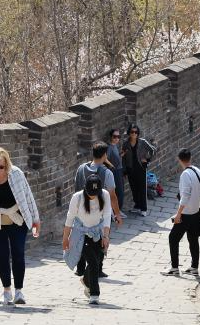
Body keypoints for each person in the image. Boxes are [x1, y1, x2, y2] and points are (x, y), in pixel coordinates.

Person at [0, 147, 40, 306]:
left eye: (1, 167)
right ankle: (6, 290)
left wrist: (35, 219)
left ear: (7, 165)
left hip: (17, 219)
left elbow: (28, 195)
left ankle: (19, 291)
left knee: (18, 253)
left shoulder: (16, 174)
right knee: (2, 255)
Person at [73, 142, 123, 278]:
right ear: (105, 155)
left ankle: (80, 267)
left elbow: (76, 189)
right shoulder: (107, 173)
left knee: (82, 238)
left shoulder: (81, 168)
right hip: (99, 214)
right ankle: (98, 268)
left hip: (82, 212)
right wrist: (117, 214)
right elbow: (112, 196)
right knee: (101, 239)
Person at [62, 174, 112, 305]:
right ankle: (94, 294)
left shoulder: (105, 195)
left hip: (98, 231)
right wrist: (65, 238)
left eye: (95, 193)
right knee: (93, 263)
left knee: (98, 259)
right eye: (90, 193)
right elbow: (69, 218)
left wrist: (106, 236)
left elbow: (107, 216)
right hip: (81, 233)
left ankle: (86, 280)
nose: (93, 196)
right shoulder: (77, 198)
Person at [161, 149, 200, 277]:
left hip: (186, 213)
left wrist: (178, 214)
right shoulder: (198, 171)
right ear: (190, 158)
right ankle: (194, 267)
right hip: (196, 212)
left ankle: (174, 268)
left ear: (179, 159)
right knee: (193, 239)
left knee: (173, 238)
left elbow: (185, 195)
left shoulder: (185, 174)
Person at [120, 124, 155, 216]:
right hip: (130, 169)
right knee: (134, 188)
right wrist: (124, 171)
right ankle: (137, 206)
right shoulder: (126, 144)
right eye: (132, 132)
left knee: (142, 188)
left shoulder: (142, 142)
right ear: (129, 133)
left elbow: (152, 150)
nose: (134, 134)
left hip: (141, 168)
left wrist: (147, 160)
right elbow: (123, 158)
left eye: (136, 132)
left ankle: (143, 209)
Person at [106, 130, 125, 217]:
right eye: (115, 136)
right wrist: (112, 166)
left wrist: (120, 155)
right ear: (111, 137)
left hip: (119, 170)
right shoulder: (109, 147)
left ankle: (117, 211)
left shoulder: (115, 146)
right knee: (119, 192)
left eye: (118, 137)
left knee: (120, 191)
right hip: (115, 171)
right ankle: (117, 212)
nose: (117, 138)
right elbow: (106, 159)